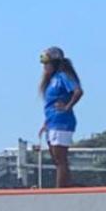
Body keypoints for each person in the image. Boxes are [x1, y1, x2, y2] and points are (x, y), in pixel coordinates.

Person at [38, 47, 83, 188]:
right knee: (56, 159)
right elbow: (50, 104)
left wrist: (67, 106)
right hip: (52, 122)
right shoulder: (51, 80)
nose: (45, 67)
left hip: (62, 122)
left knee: (60, 158)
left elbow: (78, 91)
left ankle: (61, 189)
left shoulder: (64, 76)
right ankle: (67, 185)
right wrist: (45, 123)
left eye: (47, 63)